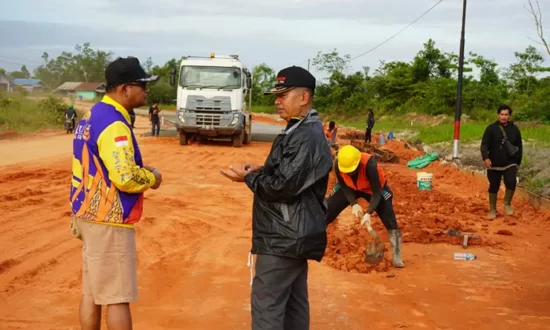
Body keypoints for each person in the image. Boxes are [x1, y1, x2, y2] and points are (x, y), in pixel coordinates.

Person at [219, 66, 333, 330]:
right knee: (293, 307)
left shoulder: (306, 136)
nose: (276, 101)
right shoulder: (300, 129)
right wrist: (263, 169)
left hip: (283, 237)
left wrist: (247, 178)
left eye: (283, 95)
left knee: (267, 307)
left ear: (304, 98)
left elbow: (282, 187)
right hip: (292, 234)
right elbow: (292, 174)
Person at [69, 56, 161, 330]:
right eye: (141, 85)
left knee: (92, 293)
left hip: (86, 213)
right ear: (124, 89)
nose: (146, 91)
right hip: (108, 218)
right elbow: (126, 178)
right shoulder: (114, 123)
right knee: (117, 297)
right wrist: (153, 177)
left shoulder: (92, 115)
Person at [325, 144, 405, 268]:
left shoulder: (369, 164)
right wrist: (354, 204)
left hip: (372, 189)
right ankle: (316, 240)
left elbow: (377, 192)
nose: (350, 173)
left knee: (389, 216)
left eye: (352, 170)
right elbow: (343, 185)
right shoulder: (338, 164)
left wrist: (368, 213)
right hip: (350, 187)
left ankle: (397, 255)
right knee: (327, 209)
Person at [480, 104, 523, 219]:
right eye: (502, 114)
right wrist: (486, 158)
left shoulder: (515, 129)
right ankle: (493, 210)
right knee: (494, 186)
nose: (504, 117)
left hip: (510, 163)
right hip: (494, 163)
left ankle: (507, 204)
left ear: (509, 116)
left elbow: (519, 146)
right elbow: (484, 144)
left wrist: (518, 162)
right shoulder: (491, 129)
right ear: (498, 115)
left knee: (511, 182)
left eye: (506, 115)